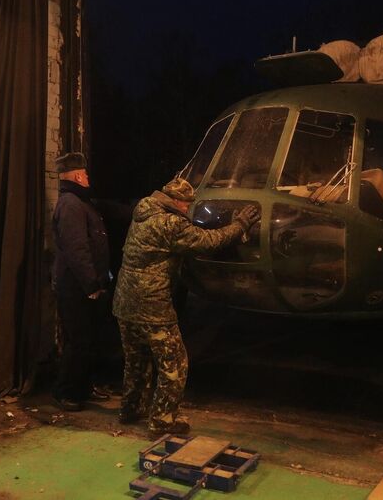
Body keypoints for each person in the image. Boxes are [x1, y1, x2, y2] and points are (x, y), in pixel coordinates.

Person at [112, 178, 259, 435]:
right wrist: (240, 225)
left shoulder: (144, 212)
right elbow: (209, 241)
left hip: (125, 302)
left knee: (136, 360)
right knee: (174, 365)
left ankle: (131, 408)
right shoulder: (171, 223)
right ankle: (162, 421)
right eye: (186, 204)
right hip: (152, 305)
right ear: (178, 202)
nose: (187, 209)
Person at [51, 152, 111, 411]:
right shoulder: (72, 205)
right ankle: (67, 393)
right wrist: (91, 285)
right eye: (85, 173)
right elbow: (77, 250)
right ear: (77, 175)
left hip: (83, 286)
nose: (87, 177)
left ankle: (83, 388)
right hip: (75, 289)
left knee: (88, 341)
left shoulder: (80, 202)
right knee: (78, 341)